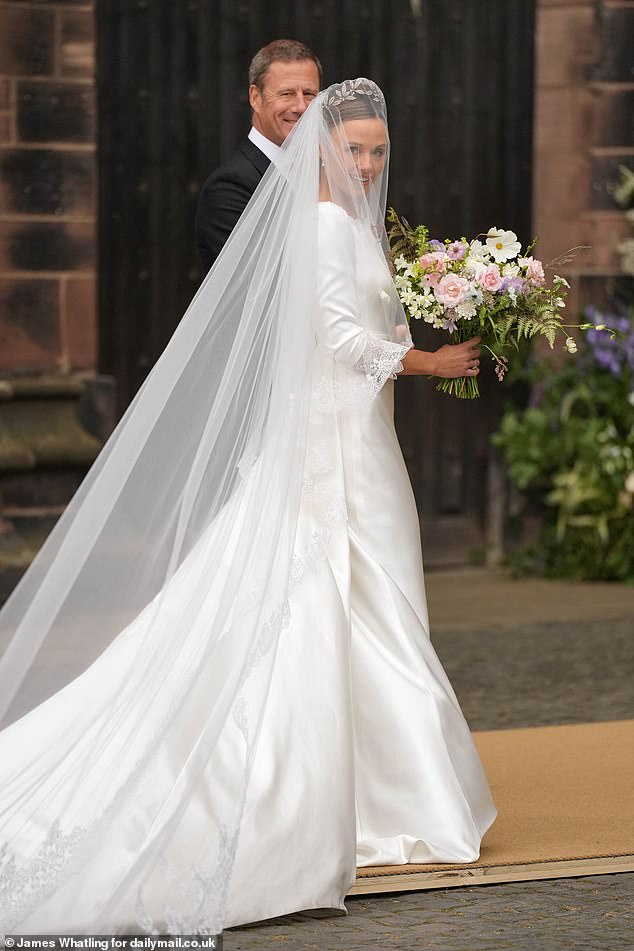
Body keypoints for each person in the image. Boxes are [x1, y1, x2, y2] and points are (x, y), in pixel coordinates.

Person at [0, 79, 494, 937]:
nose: (370, 162)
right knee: (342, 602)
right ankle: (358, 797)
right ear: (324, 151)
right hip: (330, 449)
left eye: (380, 148)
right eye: (356, 150)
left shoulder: (348, 223)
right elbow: (339, 342)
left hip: (356, 440)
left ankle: (374, 784)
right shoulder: (323, 224)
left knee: (364, 606)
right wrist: (428, 363)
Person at [195, 39, 322, 273]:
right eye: (286, 94)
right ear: (255, 97)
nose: (301, 107)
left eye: (309, 94)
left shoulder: (328, 174)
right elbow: (249, 286)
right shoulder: (229, 188)